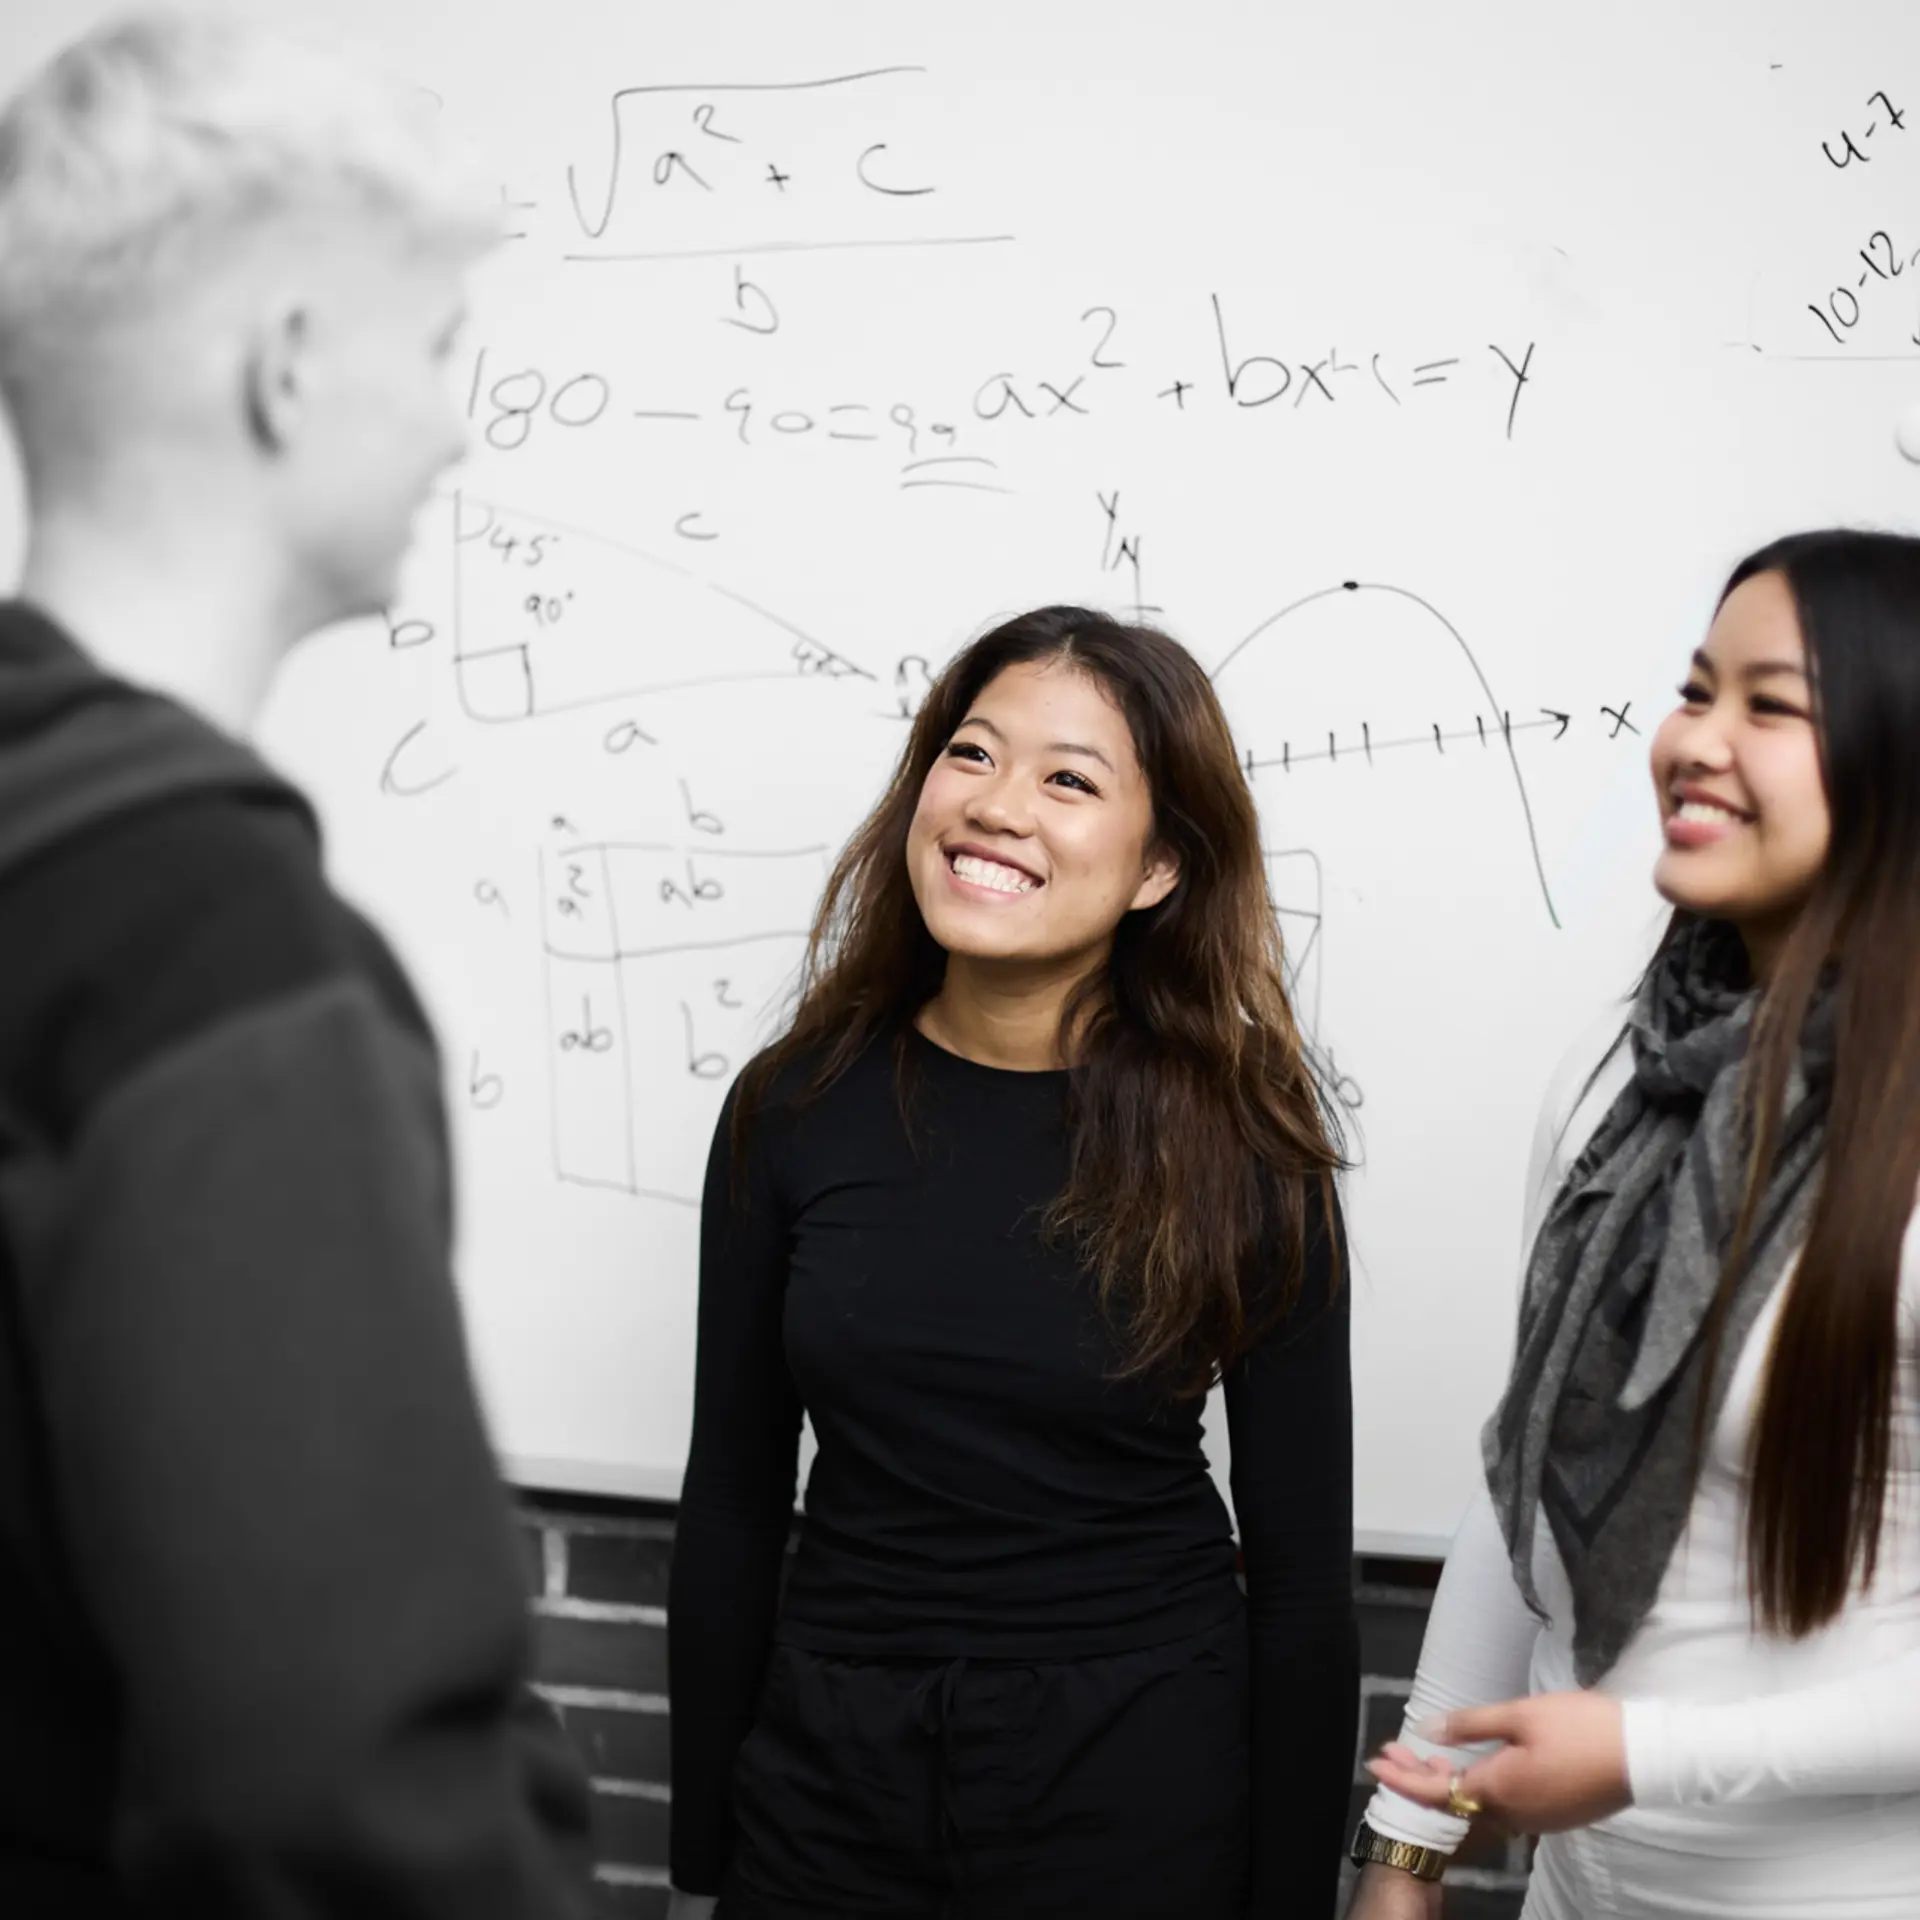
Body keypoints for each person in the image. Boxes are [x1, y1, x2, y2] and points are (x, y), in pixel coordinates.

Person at [0, 13, 592, 1915]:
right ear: (288, 368)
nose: (453, 420)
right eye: (434, 347)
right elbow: (333, 1797)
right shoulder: (212, 949)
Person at [665, 606, 1358, 1920]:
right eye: (972, 755)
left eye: (1069, 780)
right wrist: (701, 1864)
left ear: (1160, 866)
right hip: (827, 1781)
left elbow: (1306, 1576)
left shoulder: (1248, 1140)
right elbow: (736, 1505)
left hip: (1136, 1779)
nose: (997, 808)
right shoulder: (794, 1105)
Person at [1350, 531, 1920, 1919]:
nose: (1695, 741)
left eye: (1768, 705)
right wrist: (1408, 1840)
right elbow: (1529, 1464)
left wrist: (1645, 1755)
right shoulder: (1624, 1079)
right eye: (1695, 689)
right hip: (1578, 1894)